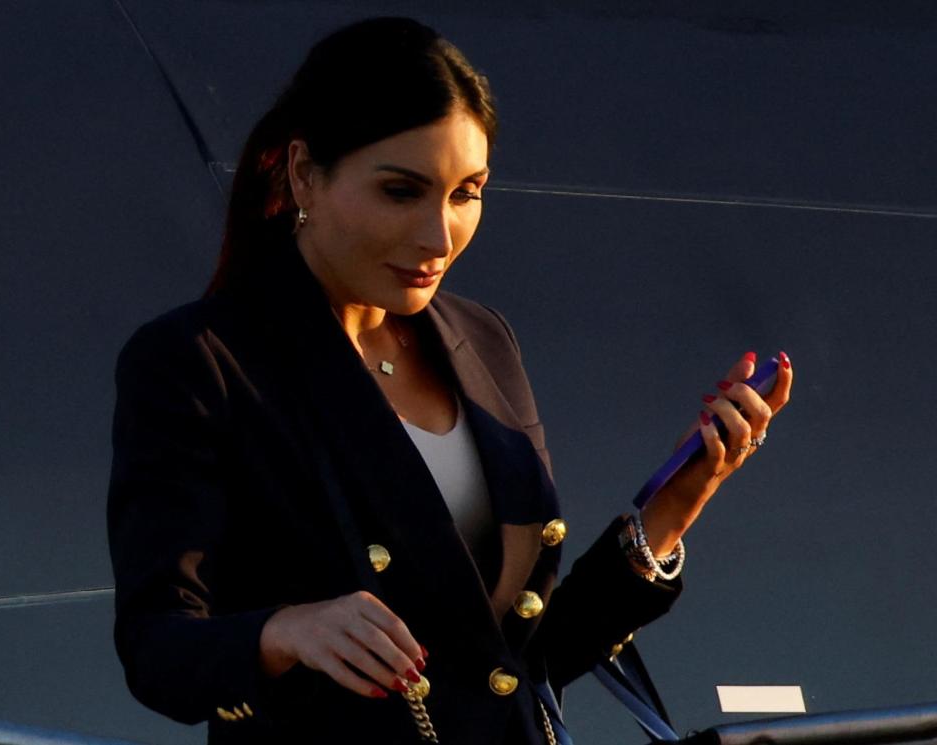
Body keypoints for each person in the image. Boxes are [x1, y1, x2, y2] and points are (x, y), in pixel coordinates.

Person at [107, 16, 793, 745]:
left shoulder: (483, 341)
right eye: (402, 192)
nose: (440, 237)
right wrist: (286, 631)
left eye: (467, 192)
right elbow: (158, 650)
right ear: (306, 172)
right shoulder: (201, 361)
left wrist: (677, 505)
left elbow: (519, 665)